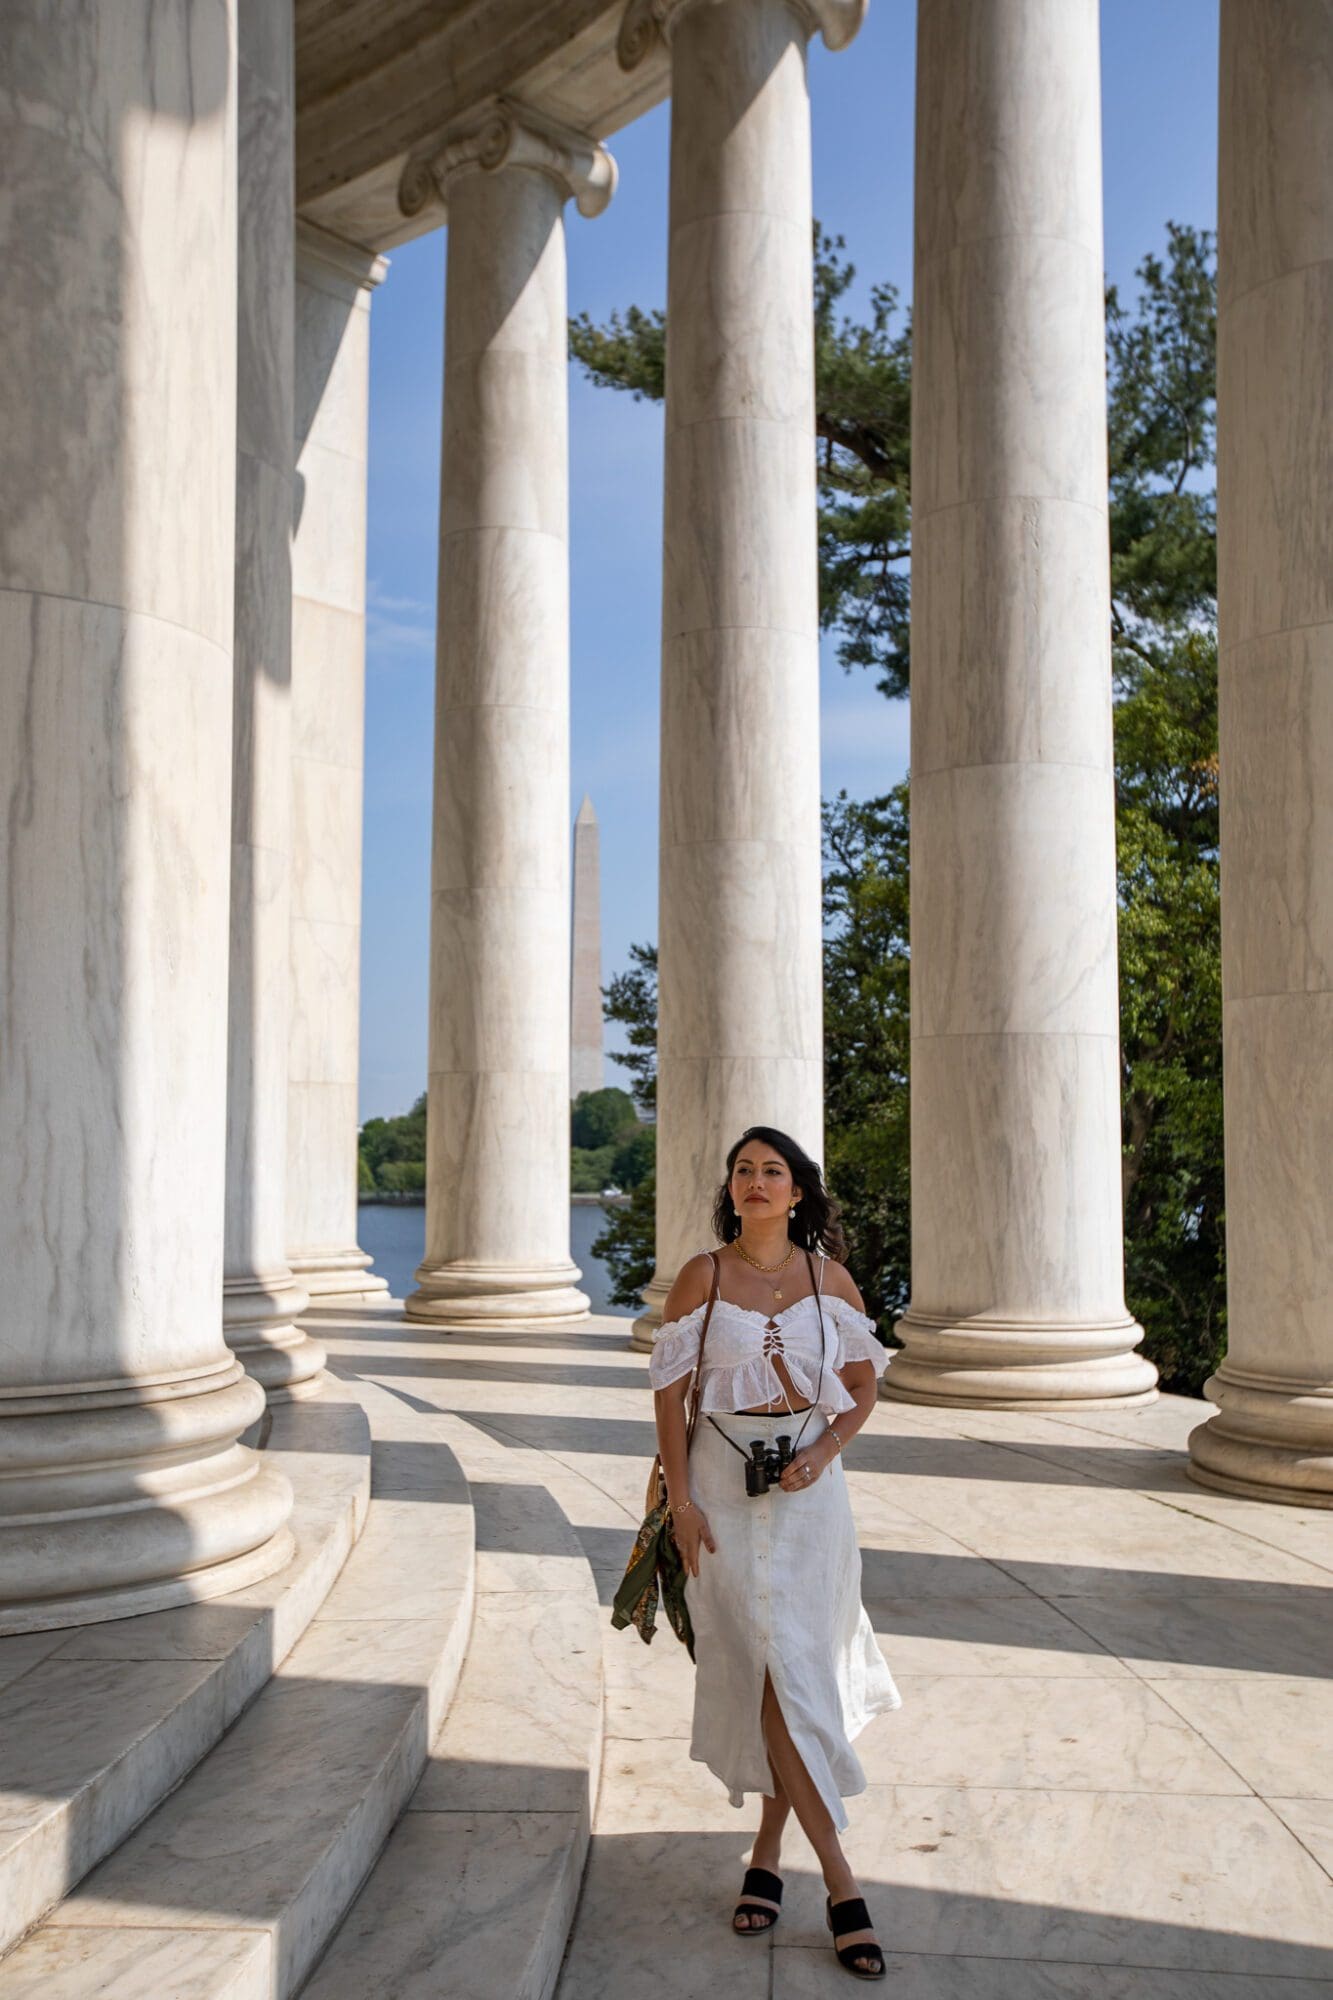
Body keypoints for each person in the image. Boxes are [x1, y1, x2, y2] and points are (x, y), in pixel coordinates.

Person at [649, 1126, 901, 1981]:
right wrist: (679, 1503)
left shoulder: (831, 1280)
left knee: (791, 1672)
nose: (756, 1182)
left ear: (797, 1192)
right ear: (731, 1189)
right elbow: (669, 1398)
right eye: (743, 1171)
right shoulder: (703, 1276)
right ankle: (840, 1881)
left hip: (808, 1501)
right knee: (760, 1665)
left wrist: (822, 1453)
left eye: (773, 1171)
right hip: (719, 1491)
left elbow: (863, 1390)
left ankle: (769, 1851)